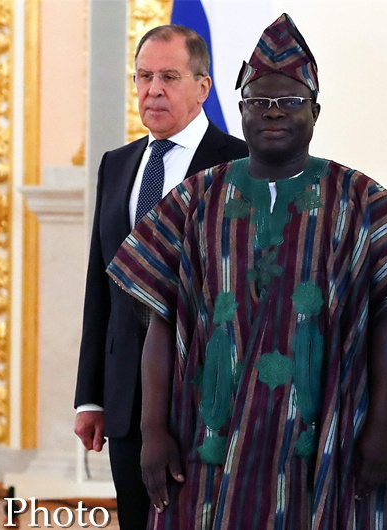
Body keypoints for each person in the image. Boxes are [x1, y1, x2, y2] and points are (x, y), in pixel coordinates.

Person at [106, 13, 387, 529]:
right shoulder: (196, 199)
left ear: (315, 111)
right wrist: (153, 429)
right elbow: (159, 321)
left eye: (289, 102)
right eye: (258, 101)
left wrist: (380, 430)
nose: (272, 112)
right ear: (240, 110)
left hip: (322, 441)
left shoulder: (359, 200)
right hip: (208, 441)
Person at [74, 25, 247, 530]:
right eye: (144, 76)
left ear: (203, 86)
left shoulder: (240, 164)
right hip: (127, 398)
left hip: (212, 395)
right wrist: (91, 396)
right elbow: (100, 286)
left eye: (169, 77)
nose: (153, 90)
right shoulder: (117, 165)